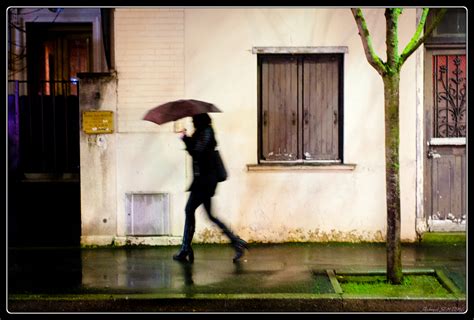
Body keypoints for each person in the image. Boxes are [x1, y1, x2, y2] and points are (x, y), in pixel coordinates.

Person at [173, 113, 248, 263]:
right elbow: (194, 150)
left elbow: (196, 151)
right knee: (210, 216)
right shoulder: (202, 132)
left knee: (189, 210)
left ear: (200, 120)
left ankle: (185, 249)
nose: (192, 122)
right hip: (203, 181)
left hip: (205, 182)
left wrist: (185, 138)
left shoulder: (206, 132)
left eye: (194, 119)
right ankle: (236, 242)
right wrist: (185, 137)